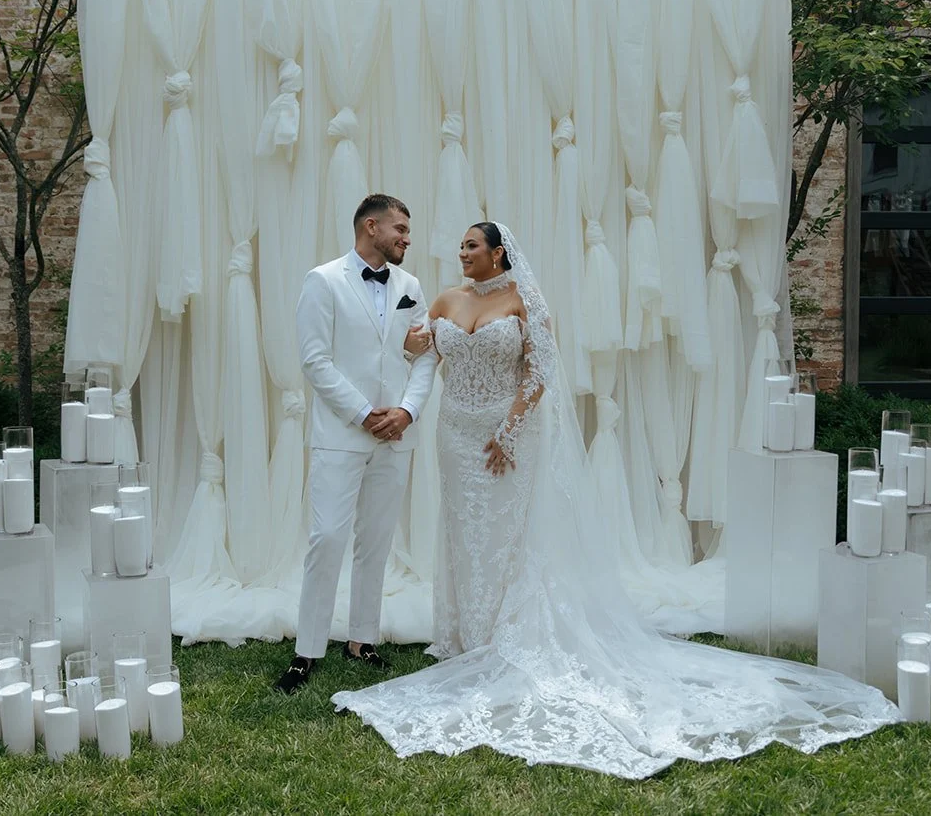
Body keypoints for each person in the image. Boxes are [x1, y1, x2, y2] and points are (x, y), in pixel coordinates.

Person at [333, 222, 898, 778]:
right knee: (463, 529)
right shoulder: (444, 299)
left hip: (507, 436)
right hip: (455, 436)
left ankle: (505, 634)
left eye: (472, 244)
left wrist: (509, 428)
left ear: (499, 252)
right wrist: (411, 345)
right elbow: (420, 353)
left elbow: (542, 367)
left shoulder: (523, 299)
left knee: (510, 533)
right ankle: (464, 636)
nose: (461, 252)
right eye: (460, 245)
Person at [276, 194, 438, 695]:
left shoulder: (410, 286)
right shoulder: (323, 281)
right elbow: (314, 360)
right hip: (342, 435)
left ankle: (362, 639)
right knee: (327, 539)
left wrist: (406, 411)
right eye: (401, 229)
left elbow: (427, 355)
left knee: (378, 541)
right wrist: (364, 413)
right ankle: (307, 651)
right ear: (371, 226)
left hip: (396, 437)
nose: (407, 239)